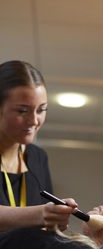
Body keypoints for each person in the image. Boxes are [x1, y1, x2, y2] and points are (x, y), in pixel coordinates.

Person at [0, 60, 77, 232]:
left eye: (41, 110)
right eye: (22, 111)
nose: (34, 121)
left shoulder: (37, 157)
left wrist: (54, 218)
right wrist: (40, 214)